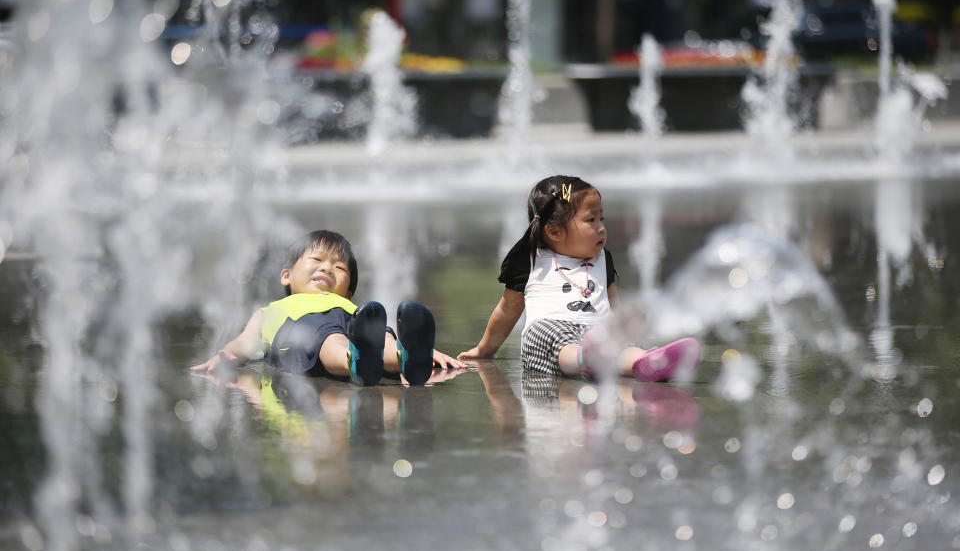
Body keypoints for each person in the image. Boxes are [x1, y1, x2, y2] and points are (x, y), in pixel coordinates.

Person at [458, 175, 700, 381]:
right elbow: (507, 310)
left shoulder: (603, 258)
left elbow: (613, 303)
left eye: (601, 219)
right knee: (554, 338)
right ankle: (586, 359)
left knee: (619, 344)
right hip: (549, 328)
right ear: (554, 231)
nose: (601, 227)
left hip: (598, 331)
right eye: (590, 220)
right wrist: (484, 349)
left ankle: (647, 362)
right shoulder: (531, 260)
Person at [191, 230, 465, 386]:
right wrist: (225, 356)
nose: (327, 267)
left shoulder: (350, 306)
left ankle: (407, 358)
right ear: (286, 276)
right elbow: (244, 343)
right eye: (317, 259)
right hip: (301, 329)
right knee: (331, 339)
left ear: (348, 291)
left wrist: (427, 352)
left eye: (339, 266)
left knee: (381, 334)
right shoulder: (272, 310)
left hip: (354, 328)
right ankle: (354, 359)